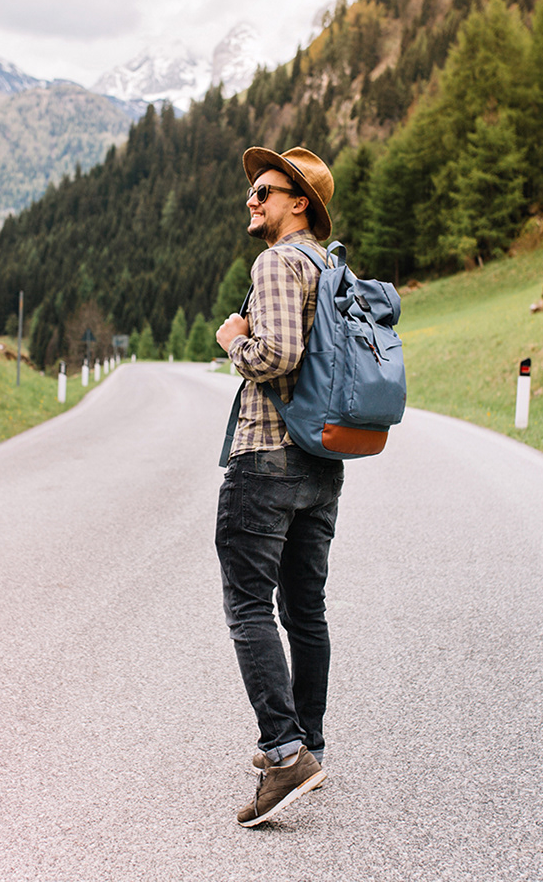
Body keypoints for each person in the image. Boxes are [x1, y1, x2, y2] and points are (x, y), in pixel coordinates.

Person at [212, 145, 340, 827]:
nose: (252, 200)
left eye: (264, 191)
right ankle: (307, 742)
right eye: (253, 191)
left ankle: (286, 752)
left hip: (267, 457)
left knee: (247, 606)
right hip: (321, 462)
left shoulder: (278, 262)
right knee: (305, 610)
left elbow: (279, 354)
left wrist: (235, 339)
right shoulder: (330, 265)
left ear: (299, 203)